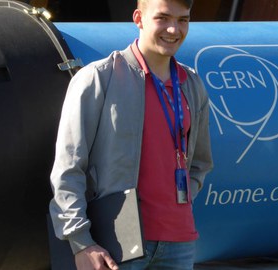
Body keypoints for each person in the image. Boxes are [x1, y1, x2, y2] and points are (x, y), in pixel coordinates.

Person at [48, 0, 213, 269]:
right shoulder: (98, 78)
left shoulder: (191, 84)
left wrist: (180, 199)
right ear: (138, 18)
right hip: (116, 246)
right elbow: (68, 168)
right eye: (163, 18)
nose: (173, 29)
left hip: (179, 244)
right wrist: (81, 242)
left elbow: (200, 163)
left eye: (183, 20)